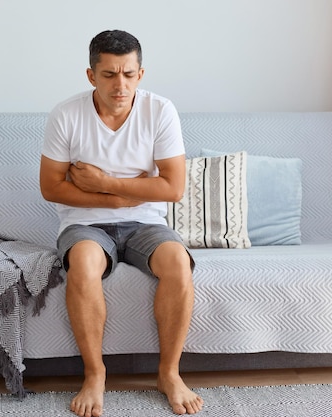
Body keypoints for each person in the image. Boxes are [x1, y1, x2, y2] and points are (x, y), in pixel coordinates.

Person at [40, 30, 204, 417]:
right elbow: (51, 187)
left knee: (178, 262)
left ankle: (169, 373)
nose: (121, 85)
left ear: (141, 74)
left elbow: (174, 188)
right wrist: (116, 199)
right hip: (85, 225)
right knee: (82, 263)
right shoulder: (66, 114)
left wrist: (104, 184)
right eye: (110, 74)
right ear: (91, 75)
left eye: (129, 74)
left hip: (145, 223)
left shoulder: (160, 110)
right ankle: (95, 374)